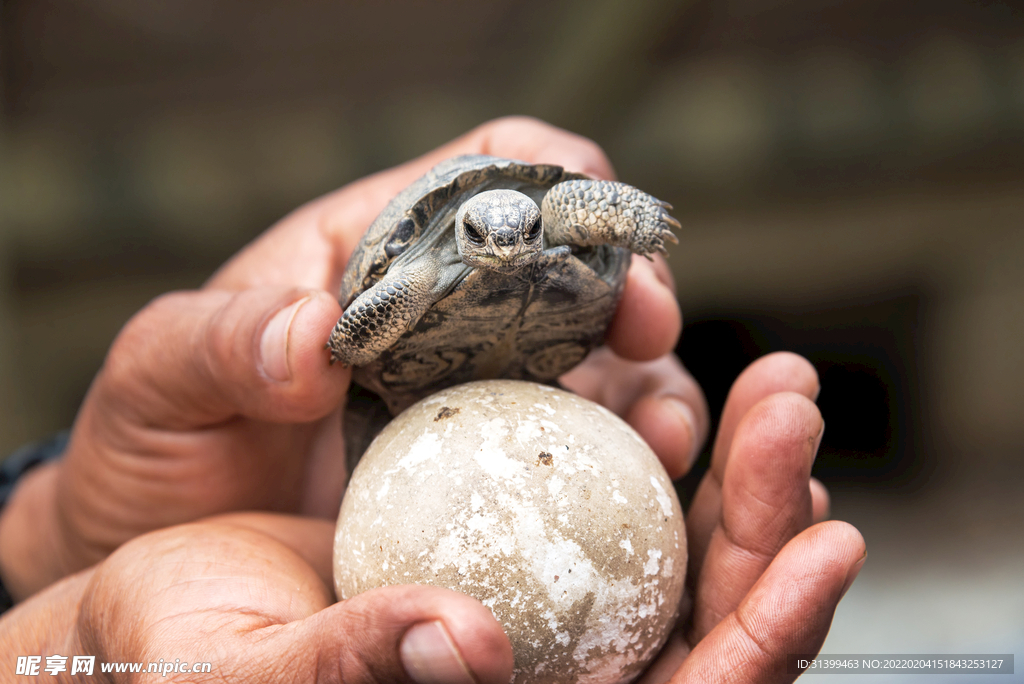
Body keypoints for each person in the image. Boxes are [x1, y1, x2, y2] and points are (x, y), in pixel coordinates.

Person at [0, 117, 864, 682]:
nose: (506, 248)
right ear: (466, 230)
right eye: (488, 235)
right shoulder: (422, 266)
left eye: (522, 231)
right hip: (413, 376)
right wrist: (342, 340)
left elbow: (578, 208)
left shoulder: (549, 213)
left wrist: (625, 217)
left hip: (530, 368)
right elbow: (360, 329)